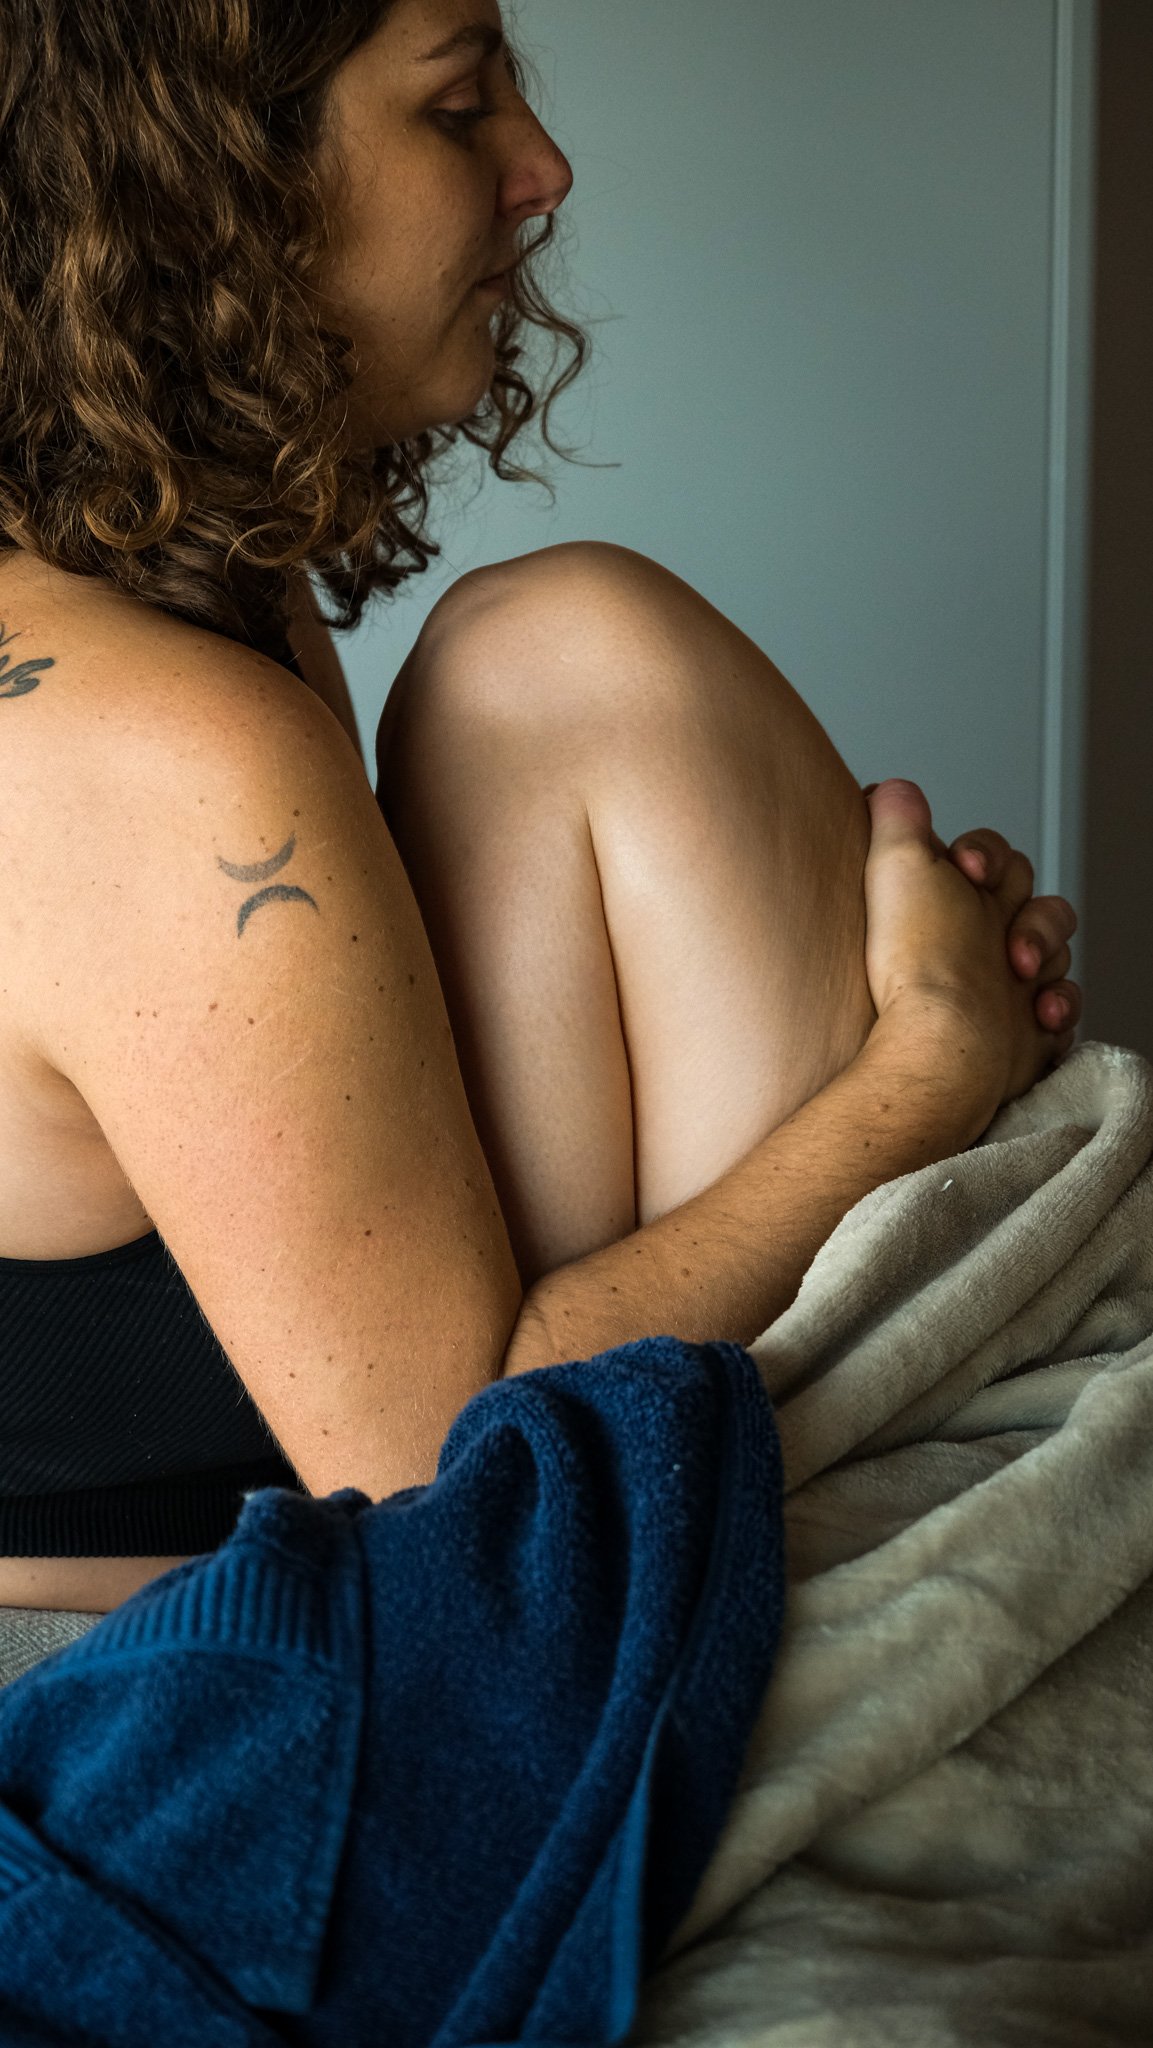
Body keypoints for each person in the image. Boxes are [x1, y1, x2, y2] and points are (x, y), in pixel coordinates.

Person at [0, 0, 1079, 1663]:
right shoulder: (158, 748)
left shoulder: (175, 587)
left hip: (313, 1470)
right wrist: (929, 1065)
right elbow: (441, 1488)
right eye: (457, 106)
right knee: (574, 653)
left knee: (556, 659)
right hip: (249, 1592)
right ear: (210, 184)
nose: (543, 166)